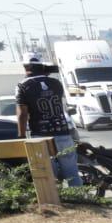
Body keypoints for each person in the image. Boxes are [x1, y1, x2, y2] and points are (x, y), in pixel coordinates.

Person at [15, 53, 81, 187]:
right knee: (72, 172)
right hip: (63, 133)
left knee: (48, 173)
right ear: (42, 66)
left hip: (41, 135)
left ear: (25, 66)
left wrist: (21, 136)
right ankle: (83, 200)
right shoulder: (56, 83)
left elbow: (22, 114)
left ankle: (58, 200)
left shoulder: (22, 86)